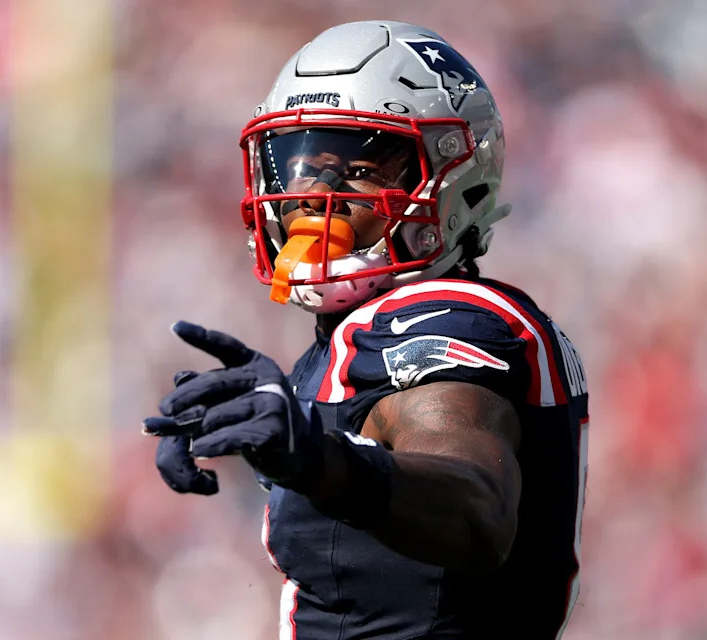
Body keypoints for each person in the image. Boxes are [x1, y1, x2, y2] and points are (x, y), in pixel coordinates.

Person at [143, 20, 589, 639]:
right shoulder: (354, 334)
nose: (313, 198)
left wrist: (320, 458)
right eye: (301, 164)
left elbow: (476, 508)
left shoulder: (442, 317)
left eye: (358, 167)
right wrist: (256, 430)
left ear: (453, 181)